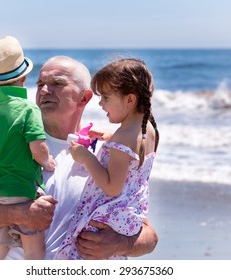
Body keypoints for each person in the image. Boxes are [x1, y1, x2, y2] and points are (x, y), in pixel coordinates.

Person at [0, 55, 158, 260]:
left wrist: (119, 243)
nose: (44, 90)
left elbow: (148, 235)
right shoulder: (14, 143)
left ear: (85, 97)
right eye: (40, 84)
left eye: (57, 83)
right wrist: (21, 213)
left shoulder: (108, 150)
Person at [56, 58, 159, 259]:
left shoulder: (122, 138)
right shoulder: (148, 129)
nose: (101, 104)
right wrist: (107, 137)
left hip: (107, 213)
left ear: (130, 99)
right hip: (129, 214)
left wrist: (86, 157)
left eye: (105, 97)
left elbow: (112, 187)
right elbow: (131, 150)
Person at [0, 36, 55, 260]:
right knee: (34, 252)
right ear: (24, 77)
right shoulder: (29, 109)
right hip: (22, 192)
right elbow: (38, 148)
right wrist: (47, 162)